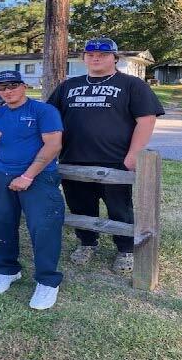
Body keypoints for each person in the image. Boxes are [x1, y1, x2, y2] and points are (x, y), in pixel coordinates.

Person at [47, 37, 165, 273]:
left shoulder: (132, 84)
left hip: (115, 161)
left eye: (102, 54)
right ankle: (87, 243)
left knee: (119, 208)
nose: (96, 58)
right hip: (73, 159)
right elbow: (49, 117)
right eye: (90, 54)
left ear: (114, 58)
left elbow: (146, 119)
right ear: (83, 58)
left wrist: (133, 156)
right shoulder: (68, 86)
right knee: (80, 206)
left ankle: (125, 249)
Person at [0, 70, 65, 310]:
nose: (7, 91)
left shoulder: (43, 111)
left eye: (12, 85)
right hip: (2, 174)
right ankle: (7, 270)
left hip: (38, 177)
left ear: (23, 86)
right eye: (1, 87)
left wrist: (27, 175)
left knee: (43, 226)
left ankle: (47, 281)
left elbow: (53, 145)